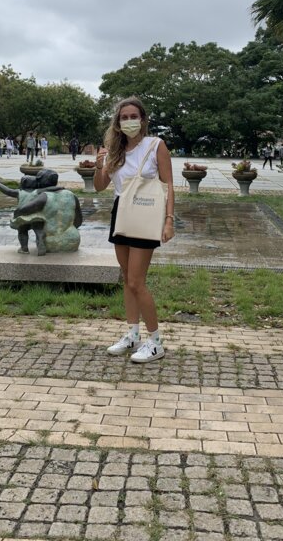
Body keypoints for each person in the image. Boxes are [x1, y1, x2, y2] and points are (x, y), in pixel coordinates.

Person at [94, 97, 174, 364]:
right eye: (124, 117)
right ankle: (132, 333)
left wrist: (169, 220)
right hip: (122, 213)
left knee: (137, 281)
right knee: (127, 278)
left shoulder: (156, 146)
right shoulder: (114, 150)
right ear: (117, 122)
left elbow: (169, 185)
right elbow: (99, 186)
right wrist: (98, 165)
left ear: (143, 119)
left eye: (133, 116)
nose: (129, 121)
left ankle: (155, 342)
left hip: (144, 213)